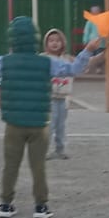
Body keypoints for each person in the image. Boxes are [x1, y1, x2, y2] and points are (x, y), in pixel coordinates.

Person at [0, 18, 102, 218]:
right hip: (39, 124)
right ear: (35, 38)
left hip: (13, 124)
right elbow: (74, 69)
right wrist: (88, 50)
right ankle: (41, 207)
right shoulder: (47, 62)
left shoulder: (4, 61)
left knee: (11, 166)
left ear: (12, 39)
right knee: (38, 167)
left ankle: (6, 204)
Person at [43, 28, 77, 160]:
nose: (54, 43)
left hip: (63, 98)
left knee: (61, 125)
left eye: (58, 40)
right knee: (49, 126)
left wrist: (100, 55)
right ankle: (43, 150)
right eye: (51, 40)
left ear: (63, 42)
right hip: (48, 98)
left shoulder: (68, 59)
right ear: (46, 43)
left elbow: (83, 63)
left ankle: (60, 149)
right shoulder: (43, 58)